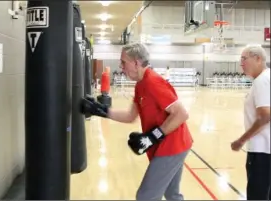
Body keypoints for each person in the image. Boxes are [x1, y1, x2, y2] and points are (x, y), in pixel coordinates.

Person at [80, 43, 193, 200]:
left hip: (172, 146)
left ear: (136, 63)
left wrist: (152, 137)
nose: (121, 66)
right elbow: (130, 115)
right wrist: (101, 111)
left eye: (123, 62)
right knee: (172, 194)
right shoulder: (141, 84)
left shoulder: (153, 82)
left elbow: (181, 114)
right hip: (174, 144)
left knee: (145, 196)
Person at [231, 44, 270, 200]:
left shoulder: (262, 80)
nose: (241, 63)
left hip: (262, 151)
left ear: (258, 58)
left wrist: (241, 140)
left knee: (257, 196)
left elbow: (264, 116)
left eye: (244, 59)